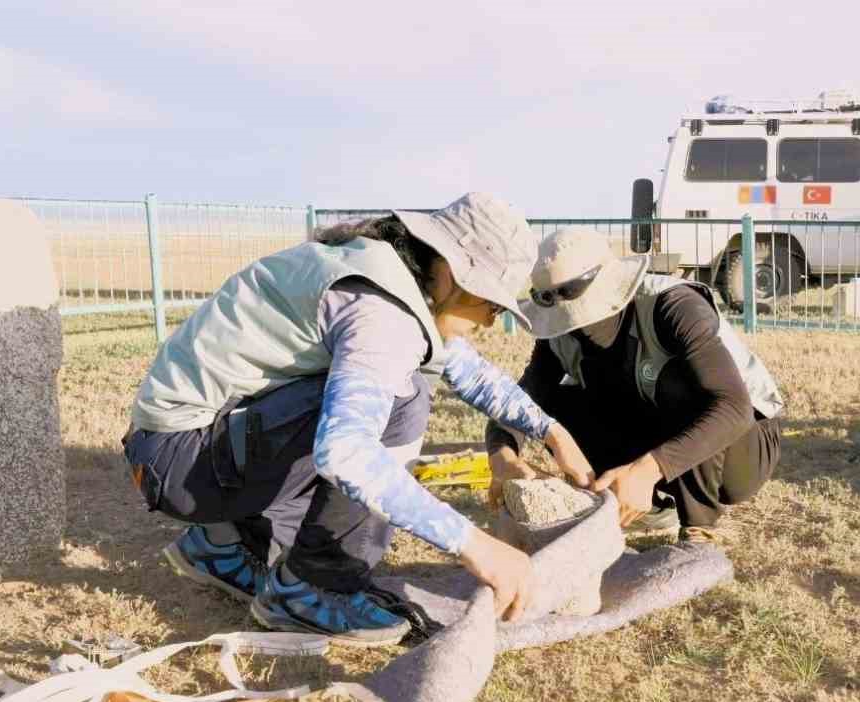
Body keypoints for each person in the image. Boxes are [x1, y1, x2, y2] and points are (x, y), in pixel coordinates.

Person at [122, 193, 594, 647]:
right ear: (451, 272)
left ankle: (226, 546)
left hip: (178, 449)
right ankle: (312, 590)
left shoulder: (379, 272)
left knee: (371, 392)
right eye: (491, 303)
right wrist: (476, 545)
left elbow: (467, 371)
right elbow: (346, 452)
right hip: (185, 462)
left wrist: (551, 431)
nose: (492, 320)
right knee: (402, 398)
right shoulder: (382, 314)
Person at [485, 227, 785, 542]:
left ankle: (699, 526)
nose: (571, 322)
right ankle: (642, 505)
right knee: (559, 404)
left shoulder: (672, 306)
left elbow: (733, 408)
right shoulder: (560, 331)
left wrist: (647, 469)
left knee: (683, 388)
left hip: (742, 446)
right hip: (657, 425)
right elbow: (519, 402)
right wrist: (503, 457)